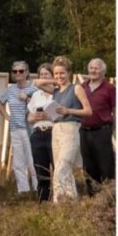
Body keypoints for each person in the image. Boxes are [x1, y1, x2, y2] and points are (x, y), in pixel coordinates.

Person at [35, 56, 92, 203]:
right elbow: (36, 82)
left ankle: (59, 203)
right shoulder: (55, 91)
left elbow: (88, 111)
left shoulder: (77, 88)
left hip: (71, 130)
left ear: (69, 73)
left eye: (62, 73)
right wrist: (55, 80)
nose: (59, 76)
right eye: (56, 73)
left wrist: (68, 110)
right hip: (56, 131)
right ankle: (68, 204)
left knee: (61, 169)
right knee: (63, 172)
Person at [0, 61, 37, 195]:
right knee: (18, 162)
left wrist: (27, 99)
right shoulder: (11, 89)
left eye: (21, 71)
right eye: (15, 71)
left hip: (30, 129)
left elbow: (39, 106)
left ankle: (38, 189)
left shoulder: (34, 88)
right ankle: (23, 191)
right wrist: (7, 116)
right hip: (15, 129)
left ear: (27, 72)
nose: (18, 73)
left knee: (32, 160)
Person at [79, 58, 115, 194]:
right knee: (88, 167)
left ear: (103, 71)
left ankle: (109, 197)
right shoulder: (82, 87)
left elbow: (115, 110)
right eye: (91, 68)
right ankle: (92, 198)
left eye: (96, 68)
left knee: (106, 166)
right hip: (84, 132)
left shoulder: (110, 88)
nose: (93, 70)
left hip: (102, 132)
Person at [26, 64, 56, 203]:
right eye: (41, 75)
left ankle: (59, 199)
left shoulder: (57, 92)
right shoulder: (35, 95)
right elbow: (29, 118)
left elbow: (61, 114)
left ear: (52, 76)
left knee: (58, 167)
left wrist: (47, 115)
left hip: (54, 132)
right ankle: (43, 200)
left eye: (46, 74)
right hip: (38, 133)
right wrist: (36, 117)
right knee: (40, 169)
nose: (43, 77)